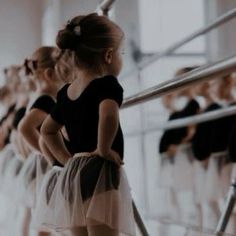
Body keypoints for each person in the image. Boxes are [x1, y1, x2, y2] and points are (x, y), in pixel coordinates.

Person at [35, 13, 135, 236]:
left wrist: (67, 160)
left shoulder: (65, 92)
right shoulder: (107, 84)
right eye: (121, 52)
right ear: (109, 55)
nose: (121, 57)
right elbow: (108, 114)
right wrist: (104, 148)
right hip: (101, 171)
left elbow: (47, 130)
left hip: (74, 175)